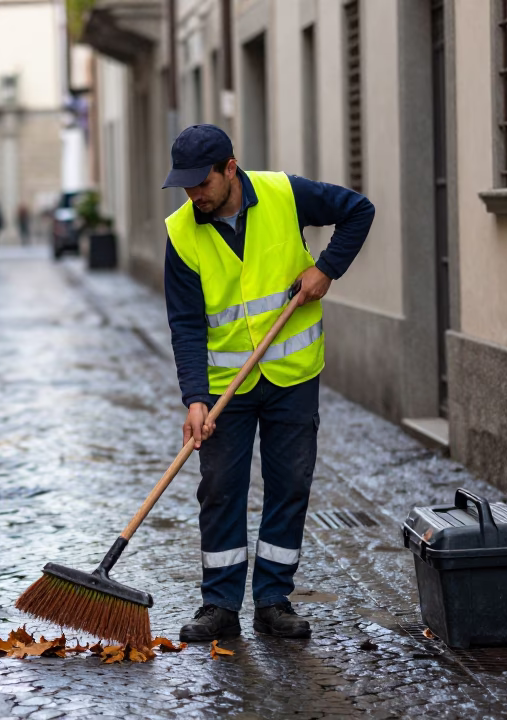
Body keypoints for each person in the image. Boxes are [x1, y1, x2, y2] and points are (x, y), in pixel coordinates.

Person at [161, 124, 374, 642]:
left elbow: (358, 211)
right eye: (185, 186)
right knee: (220, 490)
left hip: (291, 376)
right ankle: (220, 605)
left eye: (201, 183)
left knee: (290, 485)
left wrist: (327, 269)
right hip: (222, 387)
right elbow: (186, 324)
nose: (194, 195)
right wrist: (193, 399)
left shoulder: (285, 194)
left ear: (229, 168)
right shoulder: (182, 233)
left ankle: (274, 600)